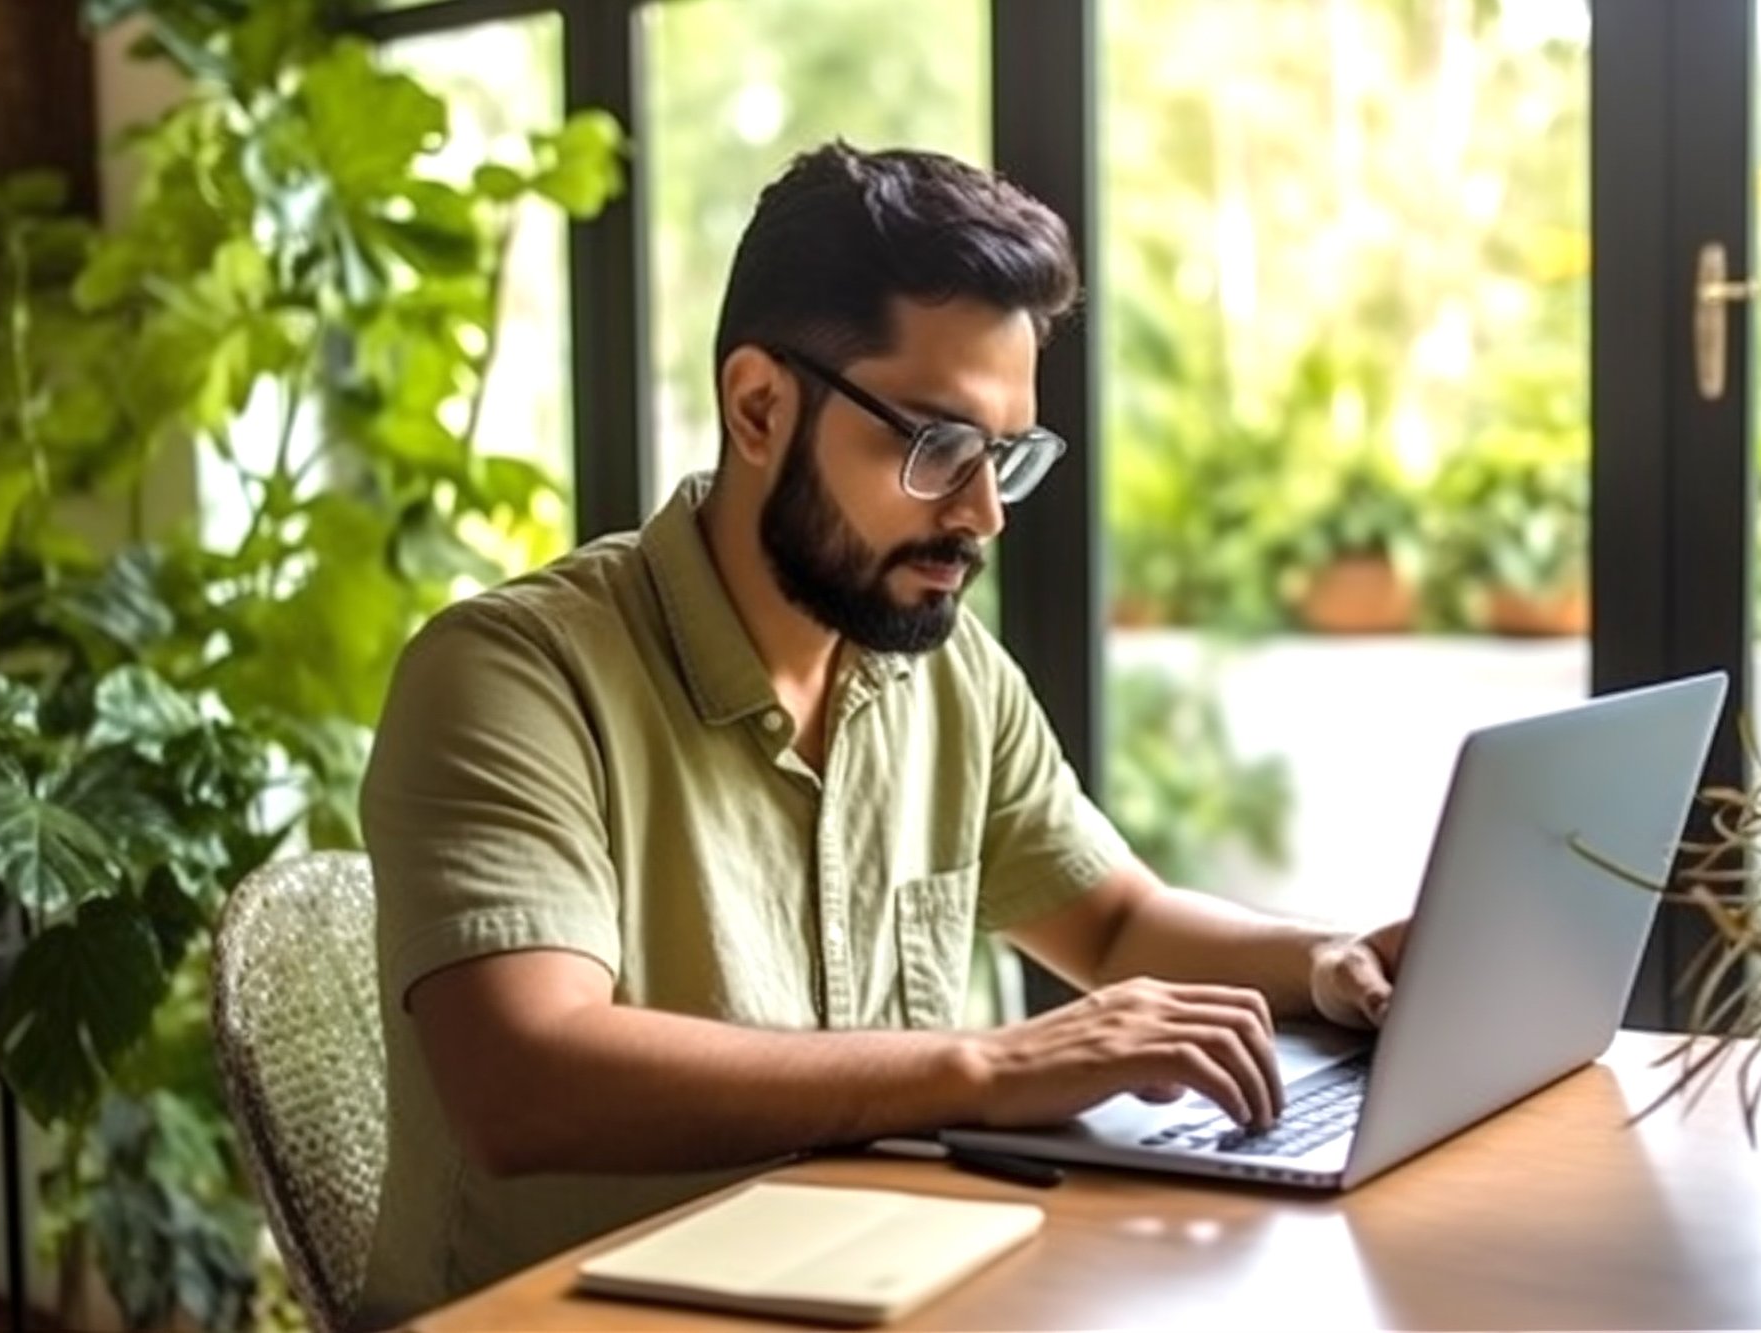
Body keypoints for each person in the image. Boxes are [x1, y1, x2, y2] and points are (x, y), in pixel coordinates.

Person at [354, 140, 1404, 1327]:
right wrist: (992, 1066)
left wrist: (1329, 961)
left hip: (875, 1286)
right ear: (758, 406)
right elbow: (525, 1081)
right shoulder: (509, 676)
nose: (983, 513)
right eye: (938, 446)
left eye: (1005, 454)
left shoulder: (942, 669)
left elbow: (1112, 921)